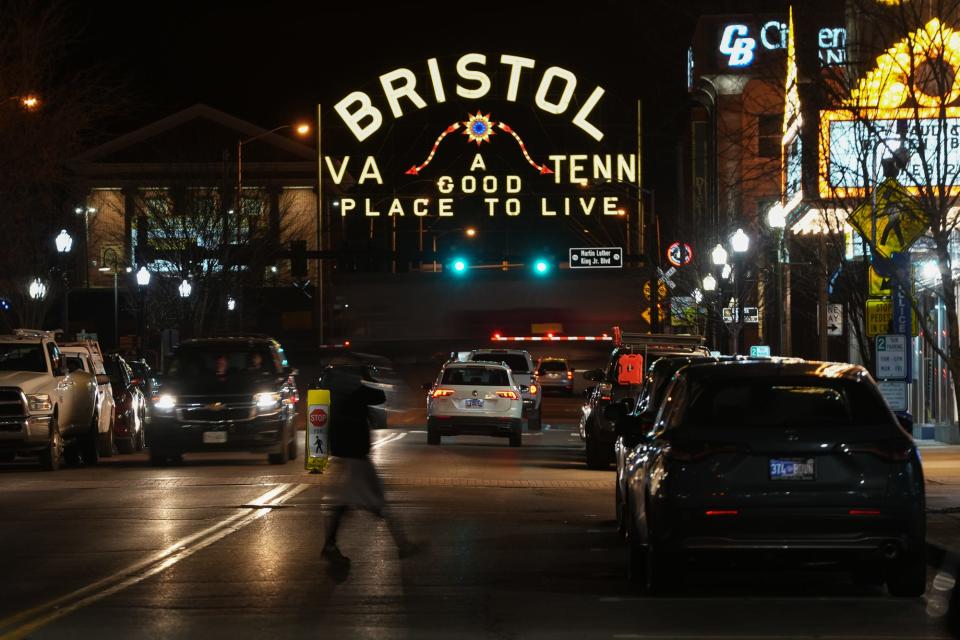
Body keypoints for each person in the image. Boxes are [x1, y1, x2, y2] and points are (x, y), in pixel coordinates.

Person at [320, 366, 418, 566]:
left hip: (344, 456)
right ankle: (402, 544)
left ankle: (331, 546)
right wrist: (367, 378)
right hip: (357, 459)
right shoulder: (357, 393)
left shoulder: (335, 395)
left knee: (347, 503)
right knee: (374, 502)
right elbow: (380, 396)